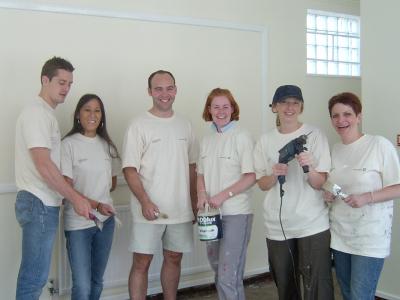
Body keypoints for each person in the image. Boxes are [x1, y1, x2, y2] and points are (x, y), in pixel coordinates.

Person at [14, 56, 92, 300]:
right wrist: (75, 198)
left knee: (34, 276)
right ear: (44, 80)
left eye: (69, 83)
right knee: (34, 278)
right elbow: (44, 165)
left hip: (41, 203)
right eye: (61, 82)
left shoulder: (45, 114)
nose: (66, 89)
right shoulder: (37, 113)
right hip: (38, 202)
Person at [122, 70, 198, 300]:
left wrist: (194, 203)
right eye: (158, 89)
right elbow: (129, 169)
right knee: (141, 262)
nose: (164, 94)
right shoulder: (138, 124)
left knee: (174, 258)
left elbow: (192, 167)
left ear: (176, 89)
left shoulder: (185, 125)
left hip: (180, 209)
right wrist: (145, 201)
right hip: (148, 210)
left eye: (169, 88)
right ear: (149, 92)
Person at [253, 85, 334, 300]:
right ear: (275, 107)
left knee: (317, 287)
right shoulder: (264, 140)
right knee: (286, 285)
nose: (290, 107)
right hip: (277, 226)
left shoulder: (315, 135)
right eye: (284, 102)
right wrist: (274, 175)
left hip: (312, 223)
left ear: (301, 106)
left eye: (295, 102)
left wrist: (310, 167)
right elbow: (261, 183)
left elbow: (319, 183)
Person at [324, 92, 400, 300]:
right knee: (348, 293)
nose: (341, 120)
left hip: (370, 238)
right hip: (340, 235)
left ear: (358, 116)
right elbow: (332, 183)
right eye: (335, 115)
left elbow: (398, 187)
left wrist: (367, 197)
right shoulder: (336, 149)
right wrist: (328, 193)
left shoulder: (379, 145)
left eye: (347, 114)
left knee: (360, 296)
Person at [196, 88, 255, 300]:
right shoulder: (207, 139)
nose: (221, 111)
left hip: (236, 214)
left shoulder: (242, 136)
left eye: (225, 106)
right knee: (218, 268)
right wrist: (201, 194)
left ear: (233, 109)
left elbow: (251, 177)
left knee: (228, 275)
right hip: (210, 214)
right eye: (216, 107)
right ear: (209, 110)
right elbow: (200, 173)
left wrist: (223, 196)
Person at [61, 94, 121, 299]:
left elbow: (111, 183)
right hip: (78, 225)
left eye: (97, 110)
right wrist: (94, 203)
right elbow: (65, 188)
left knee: (97, 282)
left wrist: (99, 199)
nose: (92, 114)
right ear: (78, 114)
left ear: (102, 116)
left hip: (106, 222)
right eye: (87, 109)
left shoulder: (108, 146)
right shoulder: (68, 145)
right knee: (83, 286)